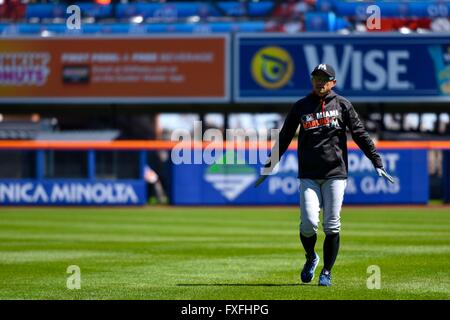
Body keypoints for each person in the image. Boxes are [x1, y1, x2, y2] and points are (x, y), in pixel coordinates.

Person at [255, 63, 394, 287]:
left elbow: (359, 133)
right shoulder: (301, 106)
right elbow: (284, 137)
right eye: (317, 77)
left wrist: (376, 160)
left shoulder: (342, 105)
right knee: (308, 224)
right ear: (312, 80)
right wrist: (269, 165)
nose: (320, 82)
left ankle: (327, 272)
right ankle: (311, 257)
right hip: (309, 174)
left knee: (332, 225)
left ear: (333, 83)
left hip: (335, 174)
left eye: (325, 78)